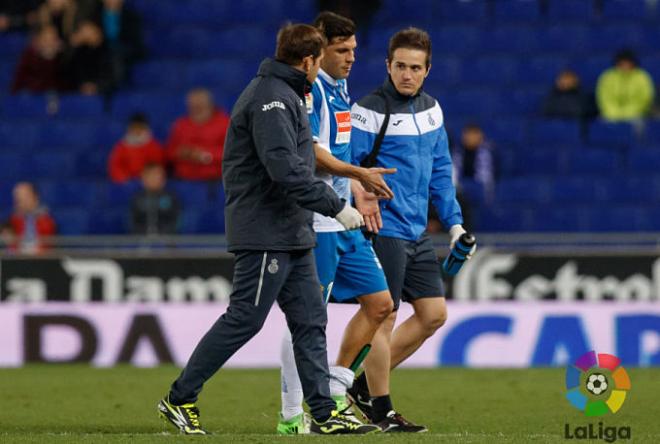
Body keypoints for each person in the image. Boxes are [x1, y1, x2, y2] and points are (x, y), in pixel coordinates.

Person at [157, 23, 378, 436]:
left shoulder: (287, 93)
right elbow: (285, 170)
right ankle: (180, 397)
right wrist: (337, 207)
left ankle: (324, 415)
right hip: (265, 230)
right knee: (245, 318)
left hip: (291, 231)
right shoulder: (271, 99)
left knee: (311, 321)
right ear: (309, 61)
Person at [348, 27, 474, 431]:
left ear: (427, 70)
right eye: (400, 66)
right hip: (382, 228)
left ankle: (359, 383)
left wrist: (454, 224)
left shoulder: (433, 110)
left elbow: (440, 169)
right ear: (388, 65)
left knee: (434, 315)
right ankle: (380, 409)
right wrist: (358, 193)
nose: (406, 74)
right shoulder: (367, 110)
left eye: (415, 68)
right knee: (384, 316)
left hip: (417, 231)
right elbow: (344, 164)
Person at [277, 12, 395, 435]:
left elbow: (336, 153)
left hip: (344, 220)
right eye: (342, 50)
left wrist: (357, 188)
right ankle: (292, 414)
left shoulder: (342, 90)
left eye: (354, 51)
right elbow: (309, 154)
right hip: (317, 223)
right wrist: (357, 174)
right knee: (309, 319)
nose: (350, 58)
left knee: (382, 304)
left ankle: (338, 388)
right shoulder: (310, 95)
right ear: (318, 49)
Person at [166, 89, 230, 181]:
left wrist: (205, 155)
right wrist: (180, 152)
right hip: (183, 179)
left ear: (210, 105)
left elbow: (233, 153)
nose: (196, 110)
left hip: (216, 180)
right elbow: (169, 151)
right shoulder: (180, 125)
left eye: (199, 107)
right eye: (192, 107)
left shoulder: (225, 124)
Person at [596, 49, 655, 122]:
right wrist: (613, 113)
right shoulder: (608, 77)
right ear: (617, 63)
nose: (625, 65)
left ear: (633, 63)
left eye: (628, 62)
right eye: (622, 62)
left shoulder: (642, 77)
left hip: (637, 114)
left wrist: (629, 112)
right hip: (611, 115)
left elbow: (645, 99)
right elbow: (604, 98)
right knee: (603, 122)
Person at [98, 0, 145, 88]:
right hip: (101, 50)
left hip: (124, 51)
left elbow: (135, 42)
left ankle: (113, 88)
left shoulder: (131, 16)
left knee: (116, 55)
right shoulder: (94, 16)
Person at [108, 113, 165, 183]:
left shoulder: (153, 146)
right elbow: (115, 166)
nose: (137, 130)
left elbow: (156, 165)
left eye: (140, 127)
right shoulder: (121, 146)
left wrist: (147, 177)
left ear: (146, 128)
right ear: (129, 128)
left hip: (148, 182)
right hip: (126, 183)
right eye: (134, 127)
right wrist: (123, 178)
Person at [11, 25, 68, 94]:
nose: (48, 43)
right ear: (39, 40)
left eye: (52, 39)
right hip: (32, 93)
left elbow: (62, 84)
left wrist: (52, 57)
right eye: (45, 39)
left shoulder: (62, 56)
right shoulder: (30, 54)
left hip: (53, 94)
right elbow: (20, 76)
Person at [130, 163, 180, 235]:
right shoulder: (136, 199)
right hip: (140, 240)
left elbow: (176, 221)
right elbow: (132, 222)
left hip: (167, 240)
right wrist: (145, 234)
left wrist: (161, 234)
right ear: (143, 179)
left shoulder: (172, 198)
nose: (154, 179)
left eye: (158, 176)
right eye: (151, 176)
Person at [8, 182, 57, 254]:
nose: (20, 201)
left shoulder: (47, 219)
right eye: (17, 198)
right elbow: (11, 245)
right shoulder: (13, 220)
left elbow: (48, 246)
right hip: (18, 259)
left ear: (35, 197)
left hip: (41, 260)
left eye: (25, 196)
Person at [65, 20, 111, 95]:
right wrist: (72, 47)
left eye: (86, 30)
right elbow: (69, 74)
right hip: (80, 93)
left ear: (97, 31)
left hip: (104, 94)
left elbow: (113, 77)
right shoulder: (80, 51)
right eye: (82, 31)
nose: (82, 34)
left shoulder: (109, 50)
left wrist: (96, 86)